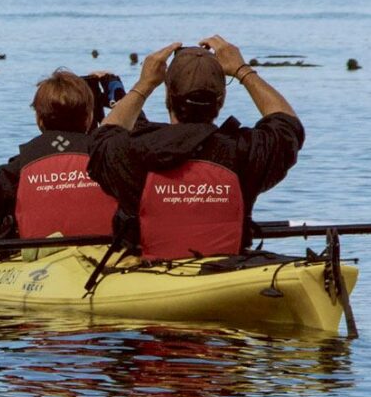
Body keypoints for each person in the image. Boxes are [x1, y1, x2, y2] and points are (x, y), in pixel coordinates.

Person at [87, 36, 302, 261]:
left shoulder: (132, 153)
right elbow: (287, 126)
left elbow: (104, 137)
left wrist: (145, 84)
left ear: (168, 96)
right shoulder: (245, 152)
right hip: (228, 273)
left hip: (148, 275)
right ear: (221, 100)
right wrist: (242, 70)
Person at [0, 69, 126, 242]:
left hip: (40, 256)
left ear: (39, 120)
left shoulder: (19, 167)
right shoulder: (112, 159)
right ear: (89, 117)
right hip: (105, 254)